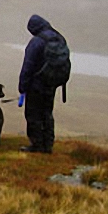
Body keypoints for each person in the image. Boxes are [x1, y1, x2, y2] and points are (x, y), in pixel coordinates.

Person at [18, 14, 68, 154]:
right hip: (51, 84)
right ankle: (48, 145)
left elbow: (28, 66)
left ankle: (37, 145)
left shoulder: (37, 42)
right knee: (47, 113)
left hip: (36, 85)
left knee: (33, 114)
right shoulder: (58, 38)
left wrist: (22, 87)